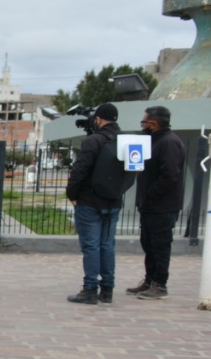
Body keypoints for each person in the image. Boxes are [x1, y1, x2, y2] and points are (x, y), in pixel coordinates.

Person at [65, 102, 131, 305]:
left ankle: (90, 289)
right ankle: (107, 289)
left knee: (91, 246)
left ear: (99, 119)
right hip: (113, 200)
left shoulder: (94, 141)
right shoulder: (126, 140)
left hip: (89, 201)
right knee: (107, 245)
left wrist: (72, 194)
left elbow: (80, 170)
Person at [128, 105, 186, 300]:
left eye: (144, 121)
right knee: (149, 244)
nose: (142, 125)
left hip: (162, 206)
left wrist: (151, 194)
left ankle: (160, 284)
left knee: (160, 246)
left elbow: (169, 175)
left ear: (153, 123)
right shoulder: (153, 141)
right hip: (150, 205)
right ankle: (150, 280)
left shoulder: (168, 142)